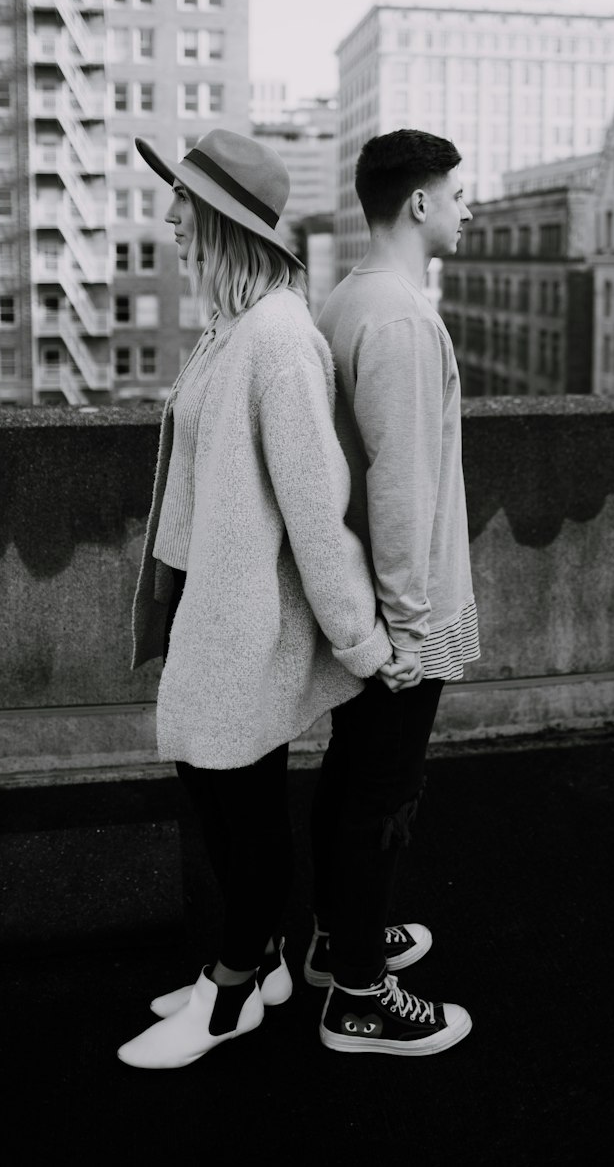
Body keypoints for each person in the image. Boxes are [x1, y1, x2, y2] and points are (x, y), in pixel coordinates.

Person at [117, 128, 394, 1071]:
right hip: (214, 610)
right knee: (220, 793)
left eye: (182, 205)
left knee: (238, 809)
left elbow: (320, 509)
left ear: (222, 222)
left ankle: (234, 989)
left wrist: (359, 643)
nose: (168, 219)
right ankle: (262, 959)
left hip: (244, 619)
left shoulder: (276, 338)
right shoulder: (235, 326)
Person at [308, 128, 478, 1057]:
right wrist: (413, 632)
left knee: (352, 780)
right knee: (383, 793)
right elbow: (402, 486)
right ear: (418, 203)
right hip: (399, 608)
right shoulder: (403, 320)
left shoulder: (348, 298)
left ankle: (343, 946)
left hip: (367, 598)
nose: (467, 208)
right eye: (458, 194)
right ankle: (361, 999)